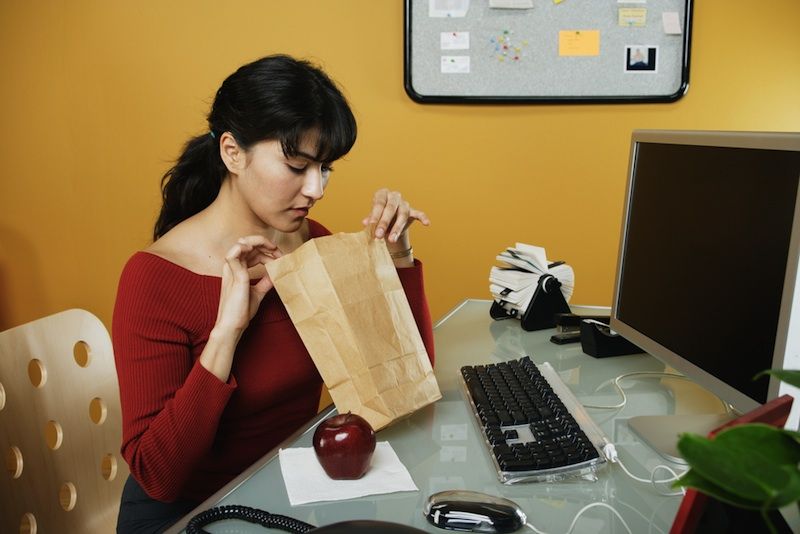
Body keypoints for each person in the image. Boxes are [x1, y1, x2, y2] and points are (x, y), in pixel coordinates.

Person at [111, 54, 435, 533]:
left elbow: (407, 386)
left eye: (325, 168)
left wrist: (399, 259)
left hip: (286, 494)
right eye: (295, 165)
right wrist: (227, 334)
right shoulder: (156, 278)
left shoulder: (312, 242)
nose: (316, 188)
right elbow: (158, 476)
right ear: (232, 153)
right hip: (193, 514)